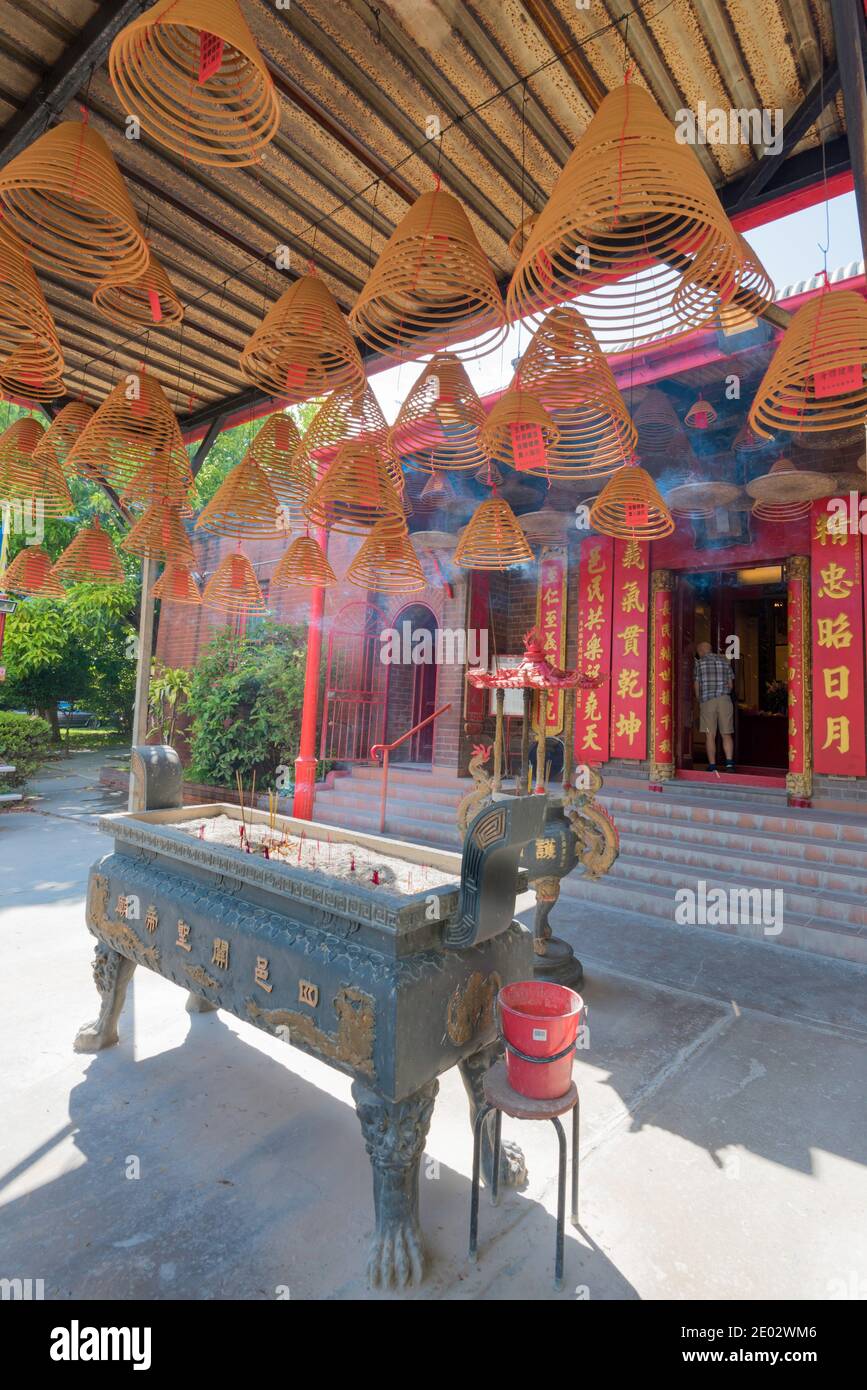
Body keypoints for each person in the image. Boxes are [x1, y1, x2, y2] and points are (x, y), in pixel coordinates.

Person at [693, 641, 735, 773]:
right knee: (726, 733)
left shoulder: (698, 664)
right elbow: (730, 685)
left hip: (707, 701)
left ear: (700, 651)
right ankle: (729, 764)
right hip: (724, 700)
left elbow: (696, 684)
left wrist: (699, 699)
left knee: (709, 735)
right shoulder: (725, 662)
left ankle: (712, 766)